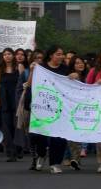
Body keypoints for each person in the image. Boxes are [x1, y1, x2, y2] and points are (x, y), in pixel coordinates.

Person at [27, 46, 70, 174]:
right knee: (40, 135)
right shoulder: (42, 68)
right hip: (43, 107)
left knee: (59, 136)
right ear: (51, 55)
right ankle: (41, 154)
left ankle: (55, 163)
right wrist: (32, 71)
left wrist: (74, 76)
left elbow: (71, 86)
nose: (61, 56)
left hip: (61, 108)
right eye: (58, 54)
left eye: (62, 54)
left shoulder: (65, 69)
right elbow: (30, 84)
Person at [0, 48, 22, 162]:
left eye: (9, 54)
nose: (7, 56)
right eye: (5, 54)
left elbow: (23, 84)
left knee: (16, 126)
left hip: (16, 99)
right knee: (6, 126)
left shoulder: (19, 67)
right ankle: (10, 152)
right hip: (4, 100)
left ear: (13, 55)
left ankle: (18, 149)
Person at [65, 54, 90, 170]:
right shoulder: (69, 77)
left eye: (81, 62)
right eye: (77, 63)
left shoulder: (88, 76)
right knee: (71, 136)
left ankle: (75, 159)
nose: (80, 65)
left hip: (86, 110)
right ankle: (74, 159)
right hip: (71, 110)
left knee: (80, 134)